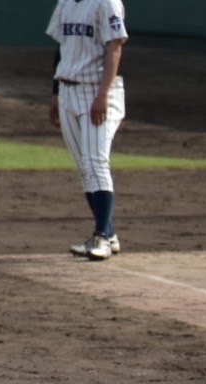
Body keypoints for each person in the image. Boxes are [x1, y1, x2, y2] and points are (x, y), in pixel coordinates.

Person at [46, 0, 128, 261]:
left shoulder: (107, 3)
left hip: (97, 90)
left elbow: (114, 47)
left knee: (96, 162)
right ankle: (109, 233)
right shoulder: (66, 3)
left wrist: (103, 95)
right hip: (68, 91)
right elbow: (61, 48)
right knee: (84, 166)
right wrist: (56, 93)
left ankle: (101, 237)